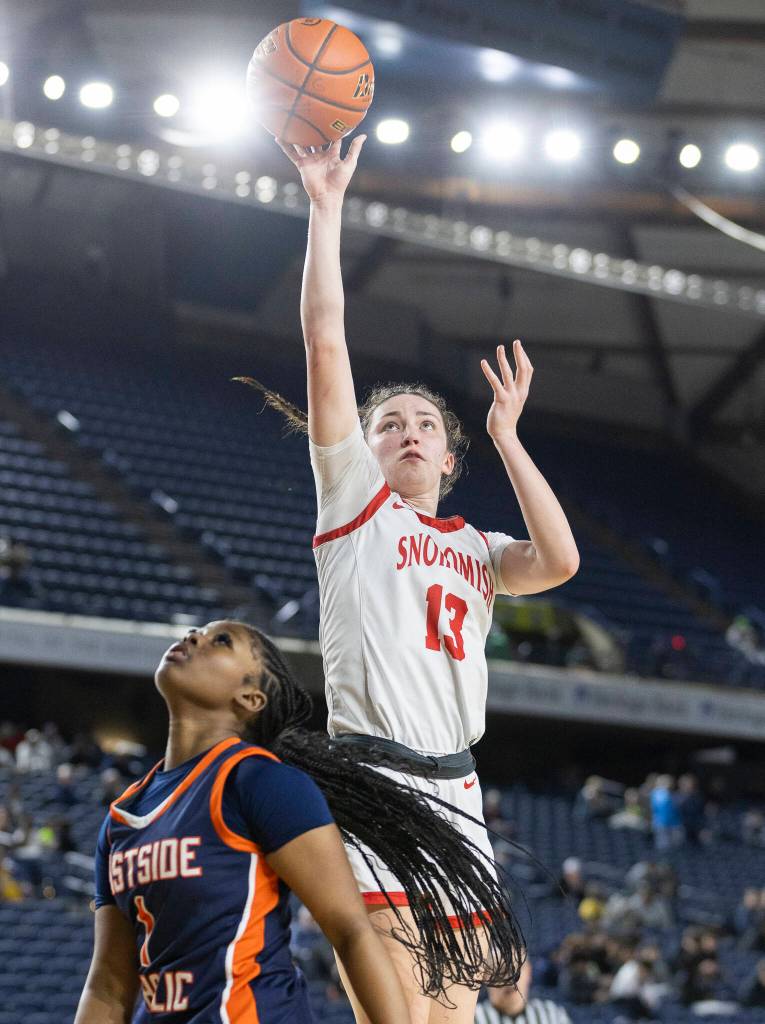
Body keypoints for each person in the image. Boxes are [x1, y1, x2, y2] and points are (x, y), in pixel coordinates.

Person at [242, 133, 578, 1024]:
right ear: (367, 445)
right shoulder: (355, 505)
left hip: (458, 787)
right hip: (375, 781)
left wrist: (510, 437)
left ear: (449, 453)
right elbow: (324, 336)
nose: (407, 431)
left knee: (457, 1017)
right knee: (398, 1016)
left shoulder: (476, 544)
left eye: (424, 421)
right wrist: (325, 206)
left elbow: (560, 562)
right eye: (388, 422)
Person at [75, 621, 523, 1024]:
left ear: (251, 697)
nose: (193, 635)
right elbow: (109, 983)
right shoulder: (122, 817)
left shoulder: (260, 782)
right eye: (201, 632)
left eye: (221, 640)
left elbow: (350, 931)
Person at [475, 959, 572, 1023]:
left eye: (515, 970)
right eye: (500, 971)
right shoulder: (472, 1018)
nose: (509, 978)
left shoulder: (552, 1014)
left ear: (528, 972)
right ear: (485, 978)